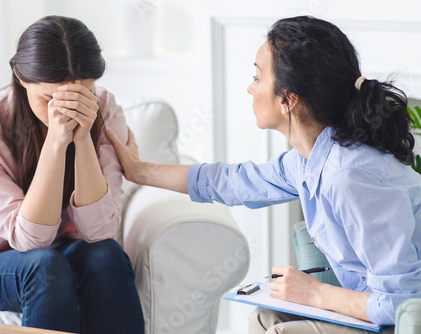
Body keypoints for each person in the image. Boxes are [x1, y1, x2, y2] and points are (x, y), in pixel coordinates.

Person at [106, 16, 421, 333]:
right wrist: (139, 170)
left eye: (257, 77)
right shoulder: (309, 160)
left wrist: (315, 294)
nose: (249, 87)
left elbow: (401, 302)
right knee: (263, 316)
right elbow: (229, 182)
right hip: (384, 308)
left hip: (409, 314)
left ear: (287, 101)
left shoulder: (349, 175)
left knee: (282, 330)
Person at [0, 15, 144, 334]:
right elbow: (31, 240)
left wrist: (83, 139)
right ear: (21, 77)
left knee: (106, 255)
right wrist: (56, 141)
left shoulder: (105, 109)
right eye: (51, 99)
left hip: (61, 250)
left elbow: (99, 231)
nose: (67, 110)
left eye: (83, 96)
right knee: (44, 266)